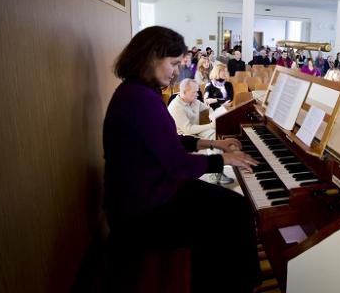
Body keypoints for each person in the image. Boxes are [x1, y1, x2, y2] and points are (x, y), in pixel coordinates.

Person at [103, 26, 261, 293]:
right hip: (143, 211)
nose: (177, 70)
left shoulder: (138, 91)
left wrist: (212, 143)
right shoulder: (140, 99)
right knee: (234, 212)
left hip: (150, 192)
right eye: (173, 63)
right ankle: (237, 285)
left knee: (231, 206)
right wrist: (225, 160)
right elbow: (178, 165)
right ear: (151, 57)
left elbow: (169, 140)